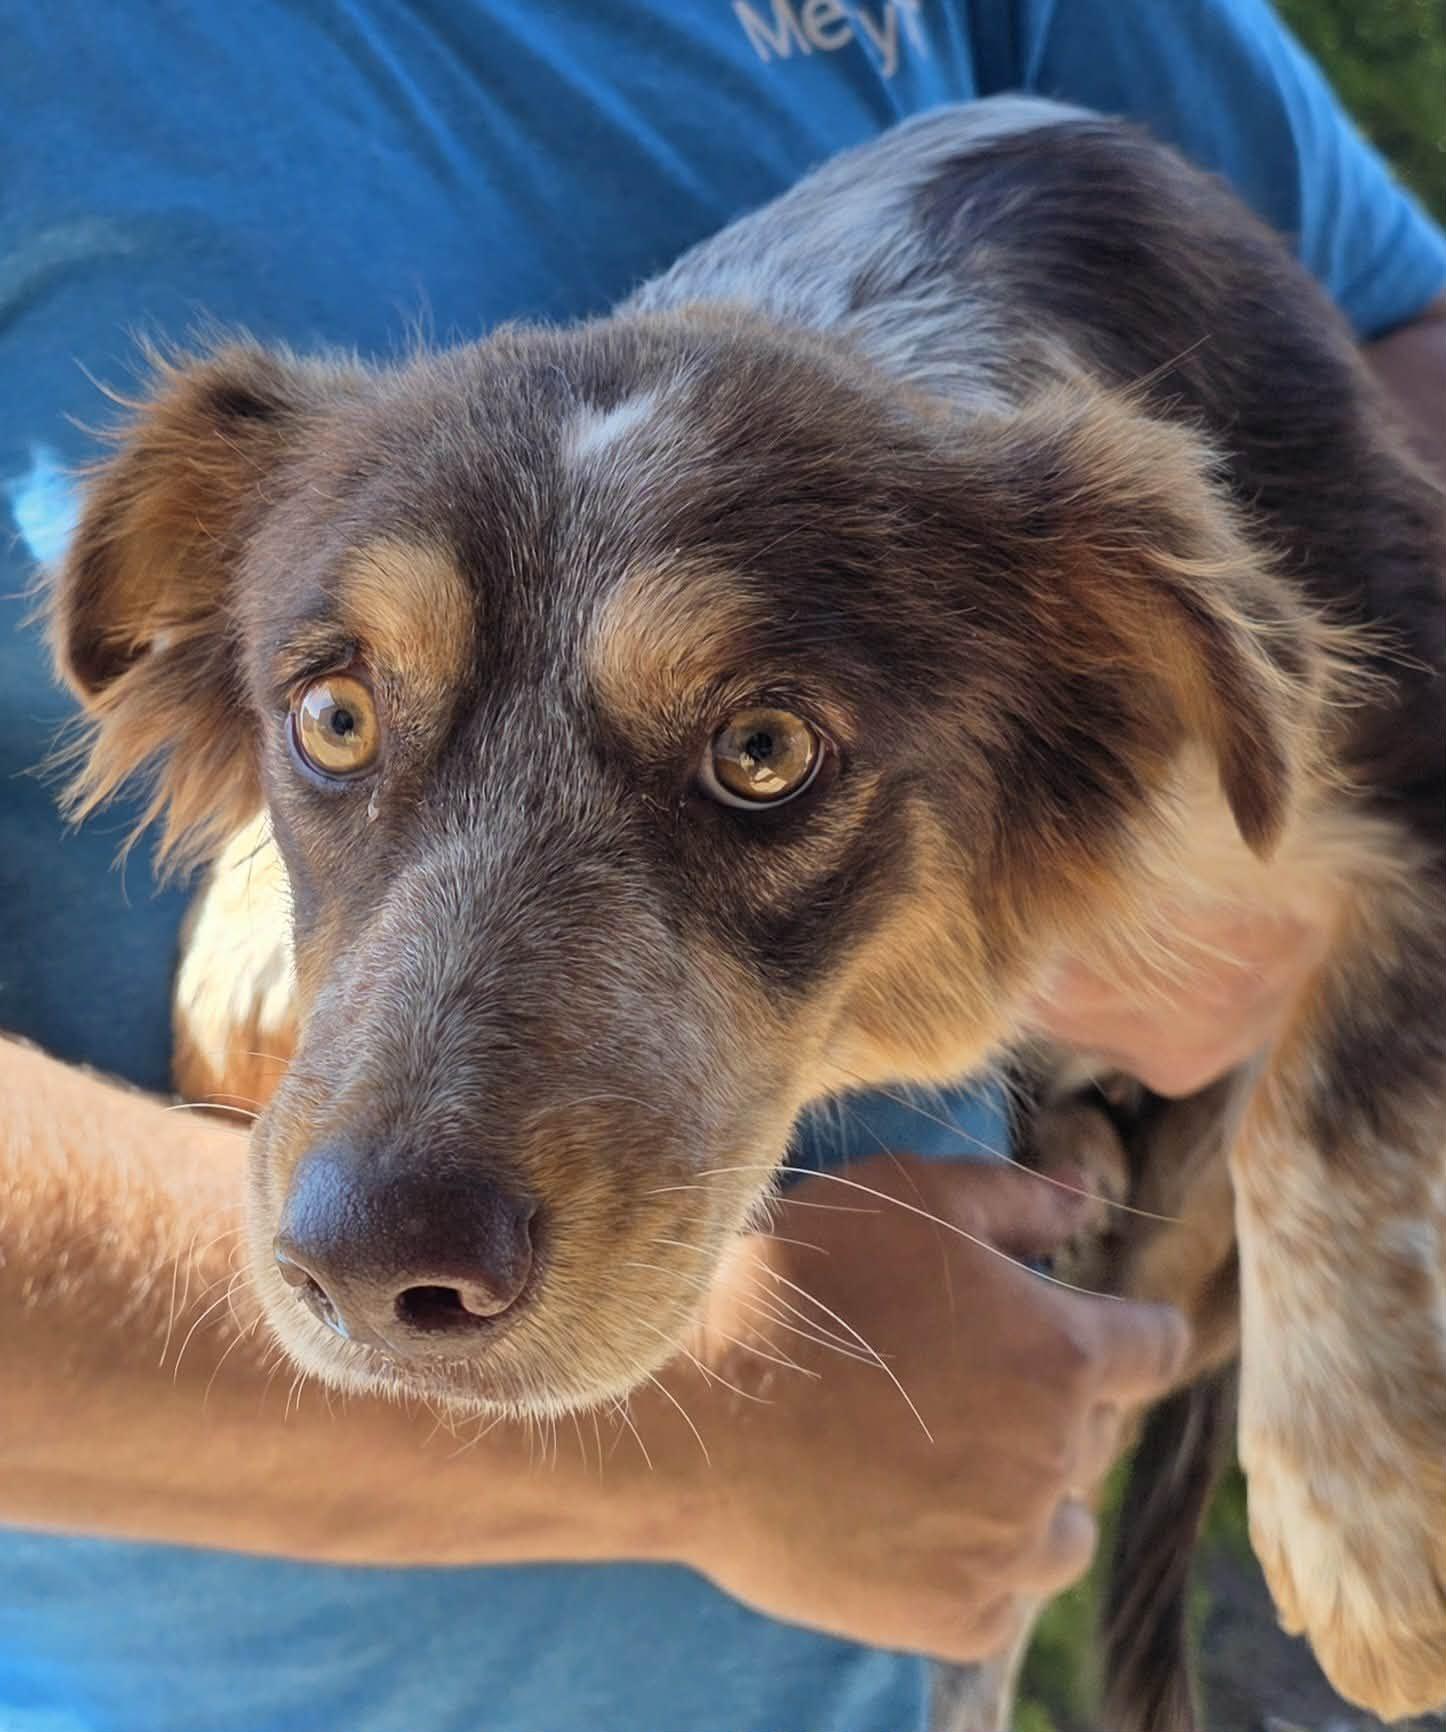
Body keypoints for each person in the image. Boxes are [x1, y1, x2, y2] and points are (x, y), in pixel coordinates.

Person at [2, 3, 1443, 1729]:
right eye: (330, 719)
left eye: (756, 755)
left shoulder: (1080, 252)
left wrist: (1272, 963)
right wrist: (723, 1433)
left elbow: (1398, 383)